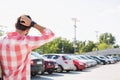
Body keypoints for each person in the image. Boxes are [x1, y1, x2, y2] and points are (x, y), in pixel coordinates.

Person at [0, 15, 55, 80]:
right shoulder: (27, 41)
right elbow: (50, 34)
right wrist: (33, 24)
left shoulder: (1, 40)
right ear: (28, 29)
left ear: (15, 25)